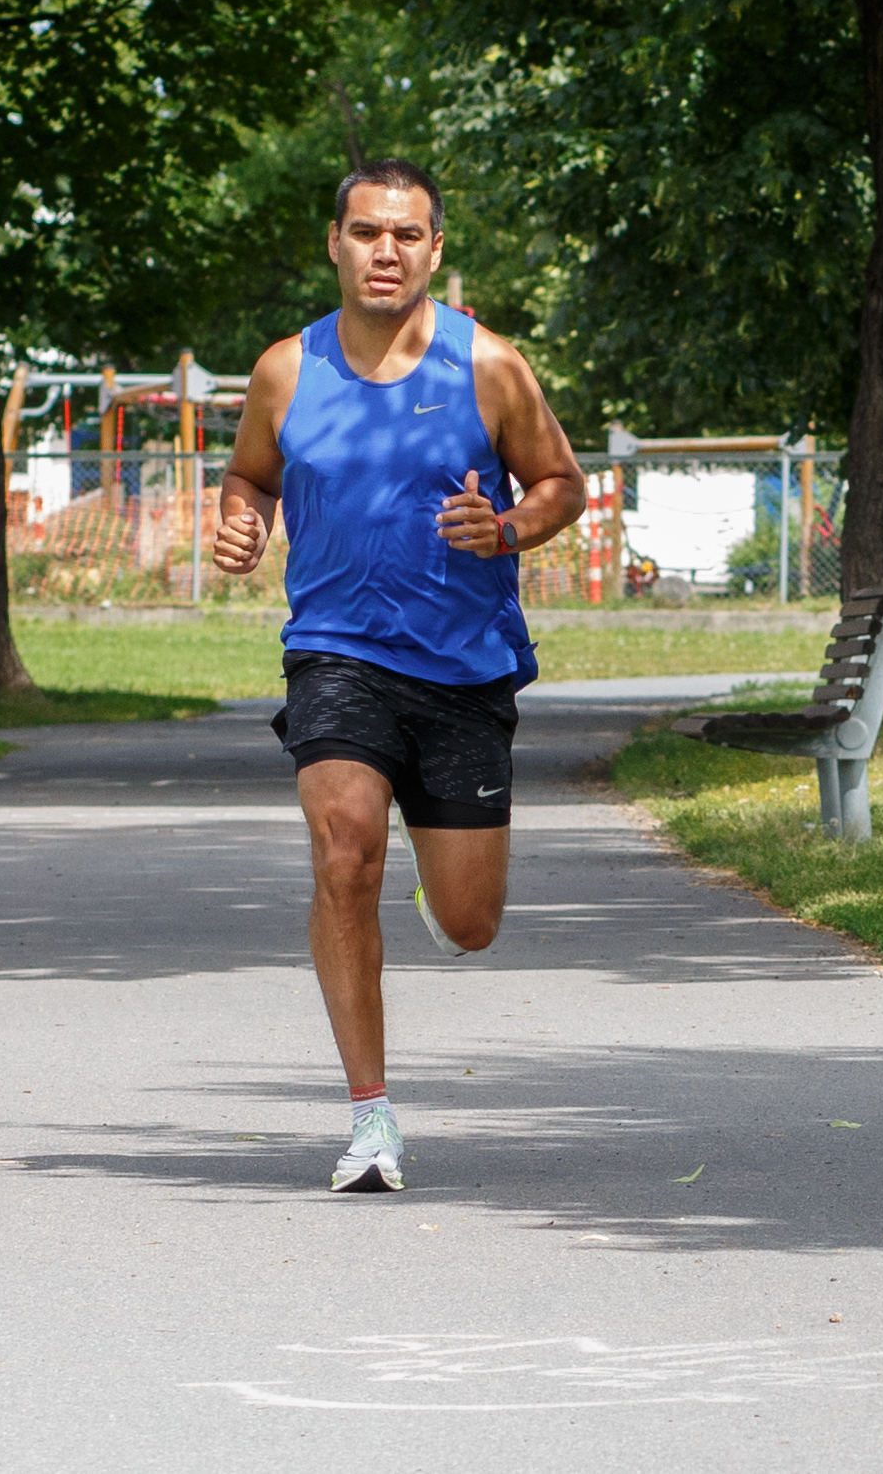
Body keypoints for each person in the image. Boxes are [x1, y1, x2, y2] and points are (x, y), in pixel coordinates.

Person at [212, 157, 585, 1193]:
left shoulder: (488, 365)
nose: (386, 250)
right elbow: (251, 470)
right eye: (367, 231)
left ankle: (442, 884)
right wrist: (242, 516)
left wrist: (506, 525)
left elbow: (565, 483)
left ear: (434, 250)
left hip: (462, 666)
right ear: (335, 243)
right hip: (335, 650)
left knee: (470, 924)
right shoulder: (286, 369)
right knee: (344, 849)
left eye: (406, 234)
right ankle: (369, 1119)